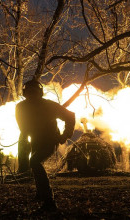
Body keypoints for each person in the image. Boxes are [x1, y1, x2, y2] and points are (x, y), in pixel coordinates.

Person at [15, 78, 75, 211]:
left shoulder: (49, 105)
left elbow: (70, 116)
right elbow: (23, 127)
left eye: (34, 92)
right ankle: (40, 194)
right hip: (35, 140)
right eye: (29, 93)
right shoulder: (21, 107)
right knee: (34, 163)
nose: (32, 96)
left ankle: (49, 201)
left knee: (35, 162)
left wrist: (65, 135)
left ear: (40, 93)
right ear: (25, 94)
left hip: (50, 140)